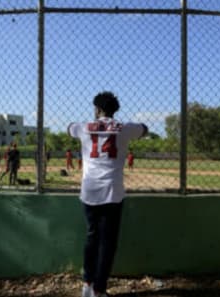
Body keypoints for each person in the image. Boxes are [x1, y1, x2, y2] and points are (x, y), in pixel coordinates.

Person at [67, 91, 148, 297]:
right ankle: (99, 289)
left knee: (92, 236)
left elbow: (69, 128)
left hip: (90, 190)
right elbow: (145, 129)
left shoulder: (84, 127)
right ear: (114, 110)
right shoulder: (124, 128)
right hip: (113, 191)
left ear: (97, 109)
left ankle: (87, 283)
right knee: (108, 243)